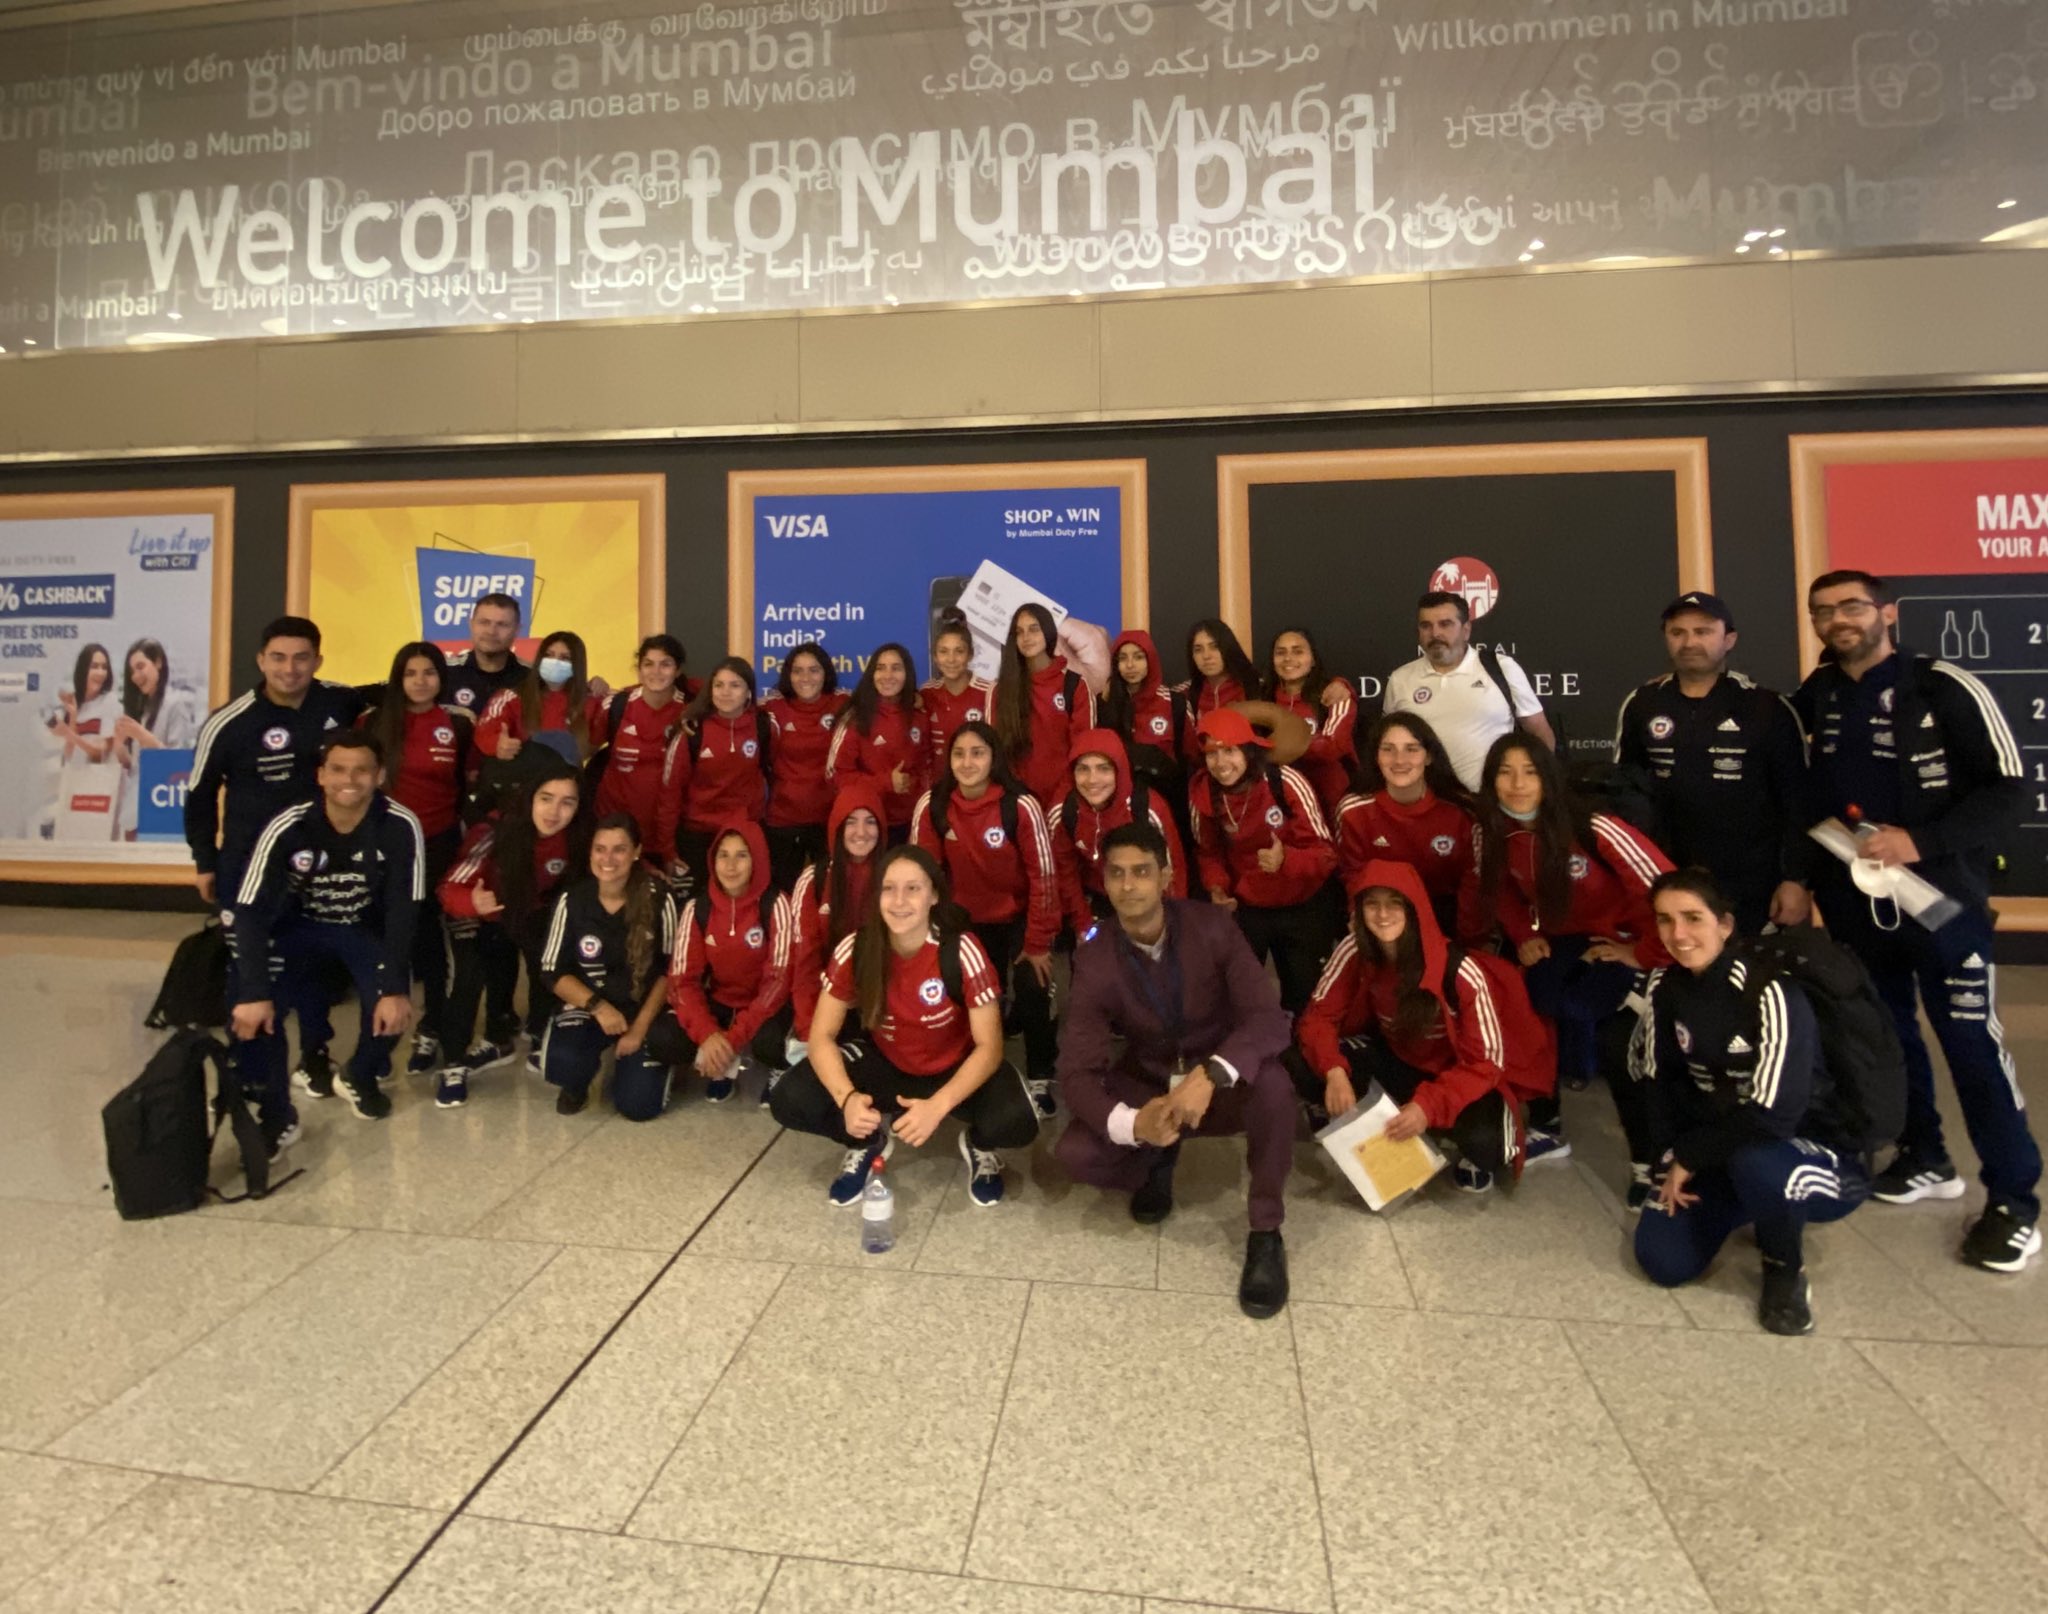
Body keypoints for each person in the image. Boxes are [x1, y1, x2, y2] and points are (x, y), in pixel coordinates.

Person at [1793, 568, 2041, 1272]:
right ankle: (1925, 1156)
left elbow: (2009, 787)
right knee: (1887, 1036)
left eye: (1851, 606)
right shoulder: (1819, 694)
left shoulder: (1945, 685)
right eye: (1824, 611)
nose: (1838, 619)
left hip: (1943, 906)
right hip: (1858, 906)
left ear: (1887, 613)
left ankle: (2015, 1203)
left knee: (1971, 1046)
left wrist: (1920, 842)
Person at [1055, 822, 1295, 1318]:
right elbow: (1076, 1073)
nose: (1128, 885)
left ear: (1166, 876)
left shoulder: (1213, 927)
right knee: (1076, 1152)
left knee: (1275, 1087)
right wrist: (1134, 1123)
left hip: (1216, 1076)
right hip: (1150, 1079)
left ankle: (1266, 1230)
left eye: (1141, 872)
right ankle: (1157, 1155)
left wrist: (1212, 1074)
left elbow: (1269, 1020)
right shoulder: (1095, 959)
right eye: (1116, 874)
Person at [1631, 869, 1872, 1333]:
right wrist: (1668, 1160)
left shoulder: (1771, 990)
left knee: (1759, 1165)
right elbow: (1658, 1087)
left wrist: (1690, 1154)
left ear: (1724, 925)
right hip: (1724, 1150)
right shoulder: (1666, 989)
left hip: (1807, 1150)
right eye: (1665, 920)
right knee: (1662, 1260)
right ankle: (1747, 1203)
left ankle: (1783, 1269)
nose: (1678, 934)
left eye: (1692, 918)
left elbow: (1775, 1116)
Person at [770, 845, 1039, 1208]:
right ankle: (866, 1141)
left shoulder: (961, 949)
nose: (899, 900)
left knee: (1019, 1120)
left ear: (934, 896)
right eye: (889, 888)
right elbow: (821, 1036)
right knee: (789, 1098)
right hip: (887, 1062)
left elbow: (990, 1047)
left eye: (913, 888)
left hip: (951, 1065)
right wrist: (847, 1101)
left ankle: (980, 1145)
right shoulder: (857, 948)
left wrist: (938, 1105)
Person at [1472, 731, 1673, 1205]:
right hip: (1567, 941)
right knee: (1531, 1007)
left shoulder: (1595, 827)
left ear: (1549, 777)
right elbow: (1500, 891)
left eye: (1530, 771)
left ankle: (1650, 1160)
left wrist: (1641, 954)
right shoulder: (1492, 831)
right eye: (1505, 772)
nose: (1518, 783)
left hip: (1630, 942)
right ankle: (1547, 1125)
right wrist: (1524, 936)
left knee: (1616, 1042)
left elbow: (1669, 893)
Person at [1292, 860, 1555, 1191]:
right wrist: (1334, 1071)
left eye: (1394, 903)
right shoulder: (1355, 947)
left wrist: (1427, 1106)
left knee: (1489, 1148)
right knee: (1301, 1059)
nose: (1382, 914)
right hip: (1399, 1058)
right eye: (1372, 903)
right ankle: (1357, 1114)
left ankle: (1437, 1128)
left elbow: (1486, 1063)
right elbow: (1318, 1017)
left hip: (1455, 1071)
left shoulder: (1459, 970)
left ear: (1414, 909)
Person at [228, 732, 424, 1138]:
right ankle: (281, 1104)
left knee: (394, 1004)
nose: (348, 779)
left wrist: (393, 986)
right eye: (337, 769)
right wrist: (253, 991)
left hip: (361, 931)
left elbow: (404, 910)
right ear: (320, 775)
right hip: (295, 929)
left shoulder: (401, 825)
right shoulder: (289, 824)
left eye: (361, 770)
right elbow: (249, 909)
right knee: (253, 1006)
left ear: (379, 775)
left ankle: (359, 1073)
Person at [186, 618, 368, 1028]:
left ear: (318, 660)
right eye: (279, 658)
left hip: (323, 861)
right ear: (261, 660)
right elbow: (198, 797)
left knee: (314, 967)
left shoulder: (341, 702)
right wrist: (204, 861)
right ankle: (248, 1068)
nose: (290, 669)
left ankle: (314, 1057)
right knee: (252, 971)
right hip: (249, 859)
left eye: (302, 658)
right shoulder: (229, 722)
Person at [1613, 592, 1811, 934]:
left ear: (1728, 639)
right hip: (1666, 877)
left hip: (1752, 885)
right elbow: (1622, 795)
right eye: (1678, 632)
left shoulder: (1767, 707)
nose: (1690, 642)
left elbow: (1799, 803)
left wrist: (1796, 879)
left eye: (1703, 631)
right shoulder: (1642, 704)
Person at [911, 721, 1060, 1116]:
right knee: (969, 996)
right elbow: (921, 876)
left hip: (1018, 917)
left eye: (977, 752)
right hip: (963, 922)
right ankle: (967, 1072)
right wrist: (932, 939)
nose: (968, 762)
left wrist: (1038, 942)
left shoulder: (1019, 805)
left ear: (993, 758)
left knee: (1032, 984)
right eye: (959, 754)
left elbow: (1043, 876)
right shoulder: (934, 805)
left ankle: (1041, 1071)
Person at [436, 762, 590, 1107]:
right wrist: (472, 901)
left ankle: (537, 1029)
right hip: (480, 915)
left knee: (550, 955)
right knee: (469, 977)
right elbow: (449, 886)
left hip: (529, 915)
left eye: (567, 802)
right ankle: (456, 1060)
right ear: (529, 798)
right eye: (546, 798)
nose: (554, 811)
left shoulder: (578, 838)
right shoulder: (494, 829)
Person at [359, 641, 474, 1078]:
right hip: (384, 846)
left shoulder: (457, 723)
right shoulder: (374, 722)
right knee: (386, 943)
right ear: (397, 677)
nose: (420, 681)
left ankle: (433, 1028)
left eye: (429, 672)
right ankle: (381, 1037)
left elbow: (469, 788)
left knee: (429, 942)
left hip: (439, 844)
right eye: (411, 673)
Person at [1188, 708, 1341, 1014]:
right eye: (1212, 754)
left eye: (1229, 751)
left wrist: (1287, 860)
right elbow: (1209, 852)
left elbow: (1325, 852)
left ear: (1247, 750)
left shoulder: (1284, 781)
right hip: (1250, 905)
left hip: (1301, 902)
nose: (1220, 763)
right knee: (1242, 998)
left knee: (1305, 999)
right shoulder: (1204, 793)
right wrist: (1218, 888)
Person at [536, 813, 679, 1116]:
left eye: (619, 849)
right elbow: (552, 971)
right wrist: (598, 1007)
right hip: (591, 1007)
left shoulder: (660, 899)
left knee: (638, 1106)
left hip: (642, 1010)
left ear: (637, 852)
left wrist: (639, 1029)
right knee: (563, 1064)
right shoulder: (572, 900)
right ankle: (579, 1079)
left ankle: (641, 1066)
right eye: (600, 849)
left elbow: (672, 972)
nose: (608, 859)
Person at [651, 821, 793, 1110]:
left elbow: (777, 981)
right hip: (721, 999)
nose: (730, 865)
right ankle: (720, 1061)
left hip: (767, 1005)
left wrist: (732, 1039)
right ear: (712, 861)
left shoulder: (776, 904)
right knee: (663, 1038)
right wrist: (707, 1034)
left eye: (741, 855)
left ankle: (774, 1067)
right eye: (723, 855)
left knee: (773, 1043)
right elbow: (681, 981)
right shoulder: (698, 909)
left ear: (757, 860)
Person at [1385, 591, 1554, 791]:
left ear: (1466, 630)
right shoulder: (1400, 679)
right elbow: (1389, 744)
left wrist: (1542, 786)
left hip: (1492, 801)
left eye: (1445, 624)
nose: (1435, 633)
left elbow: (1538, 731)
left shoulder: (1501, 668)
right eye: (1426, 626)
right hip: (1429, 806)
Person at [1334, 713, 1480, 937]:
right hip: (1383, 915)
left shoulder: (1460, 811)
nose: (1399, 760)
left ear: (1429, 756)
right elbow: (1353, 875)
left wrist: (1465, 942)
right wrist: (1360, 920)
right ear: (1375, 756)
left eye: (1411, 749)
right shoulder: (1354, 810)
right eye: (1388, 749)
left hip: (1444, 914)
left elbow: (1472, 882)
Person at [789, 781, 886, 1073]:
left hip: (878, 1001)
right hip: (828, 997)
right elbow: (804, 961)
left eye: (870, 822)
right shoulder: (814, 880)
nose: (861, 832)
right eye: (851, 822)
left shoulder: (893, 876)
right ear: (836, 827)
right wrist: (809, 1033)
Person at [1051, 727, 1187, 935]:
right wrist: (1082, 922)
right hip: (1098, 897)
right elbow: (1065, 872)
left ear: (1119, 770)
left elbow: (1172, 870)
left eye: (1103, 769)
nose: (1092, 780)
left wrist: (1170, 926)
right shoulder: (1065, 812)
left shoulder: (1147, 809)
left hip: (1147, 900)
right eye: (1083, 769)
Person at [657, 657, 770, 899]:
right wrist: (667, 850)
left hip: (744, 834)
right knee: (698, 906)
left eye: (735, 685)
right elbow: (670, 793)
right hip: (698, 837)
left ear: (749, 691)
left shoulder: (763, 726)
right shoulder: (692, 731)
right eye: (719, 685)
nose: (725, 692)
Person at [590, 634, 689, 855]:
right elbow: (583, 749)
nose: (656, 672)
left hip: (666, 835)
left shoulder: (689, 712)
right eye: (648, 664)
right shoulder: (616, 705)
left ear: (678, 670)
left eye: (665, 665)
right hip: (614, 832)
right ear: (639, 669)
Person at [763, 642, 850, 891]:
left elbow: (882, 705)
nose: (805, 678)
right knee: (784, 893)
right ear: (788, 675)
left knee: (830, 893)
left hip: (828, 817)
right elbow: (729, 705)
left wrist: (917, 699)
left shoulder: (843, 703)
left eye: (814, 670)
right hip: (783, 819)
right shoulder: (772, 707)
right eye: (798, 670)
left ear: (826, 673)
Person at [993, 602, 1096, 809]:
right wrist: (1018, 798)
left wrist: (1065, 796)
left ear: (1048, 632)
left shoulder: (1074, 685)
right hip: (1017, 800)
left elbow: (1084, 748)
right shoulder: (1001, 689)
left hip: (1067, 799)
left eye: (1034, 629)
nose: (1026, 637)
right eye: (1019, 632)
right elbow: (995, 750)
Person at [825, 643, 927, 840]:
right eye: (880, 668)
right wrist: (886, 782)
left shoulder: (918, 714)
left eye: (896, 668)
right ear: (871, 673)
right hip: (867, 825)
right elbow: (835, 775)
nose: (888, 675)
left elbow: (925, 764)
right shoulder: (855, 717)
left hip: (910, 822)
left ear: (907, 674)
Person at [473, 630, 608, 771]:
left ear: (577, 664)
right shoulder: (511, 697)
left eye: (565, 658)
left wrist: (602, 689)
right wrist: (498, 745)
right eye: (549, 655)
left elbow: (622, 718)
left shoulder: (592, 701)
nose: (555, 662)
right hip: (521, 782)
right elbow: (483, 732)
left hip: (570, 785)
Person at [113, 637, 201, 841]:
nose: (136, 676)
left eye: (140, 667)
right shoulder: (143, 710)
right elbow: (133, 766)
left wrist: (144, 737)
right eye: (132, 671)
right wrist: (119, 744)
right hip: (136, 807)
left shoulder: (175, 704)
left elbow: (179, 762)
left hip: (162, 806)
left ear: (158, 662)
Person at [1263, 626, 1358, 816]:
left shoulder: (1334, 694)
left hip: (1331, 799)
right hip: (1279, 802)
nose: (1288, 659)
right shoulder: (1262, 698)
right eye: (1281, 653)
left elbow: (1332, 747)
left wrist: (1278, 747)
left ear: (1313, 659)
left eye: (1298, 651)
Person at [1102, 629, 1188, 801]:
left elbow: (1189, 758)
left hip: (1165, 796)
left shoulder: (1174, 702)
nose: (1130, 665)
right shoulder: (1104, 702)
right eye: (1123, 658)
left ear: (1151, 660)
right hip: (1118, 798)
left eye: (1139, 657)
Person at [49, 643, 123, 840]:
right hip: (74, 790)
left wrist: (69, 733)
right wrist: (72, 717)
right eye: (94, 666)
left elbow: (101, 753)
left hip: (99, 793)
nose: (100, 672)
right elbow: (68, 756)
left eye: (104, 667)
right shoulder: (76, 705)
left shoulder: (110, 702)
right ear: (82, 669)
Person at [919, 620, 995, 784]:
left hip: (977, 786)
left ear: (970, 654)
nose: (951, 659)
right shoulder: (926, 693)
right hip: (938, 788)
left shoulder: (989, 692)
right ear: (935, 656)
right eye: (944, 652)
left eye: (959, 651)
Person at [1180, 619, 1260, 763]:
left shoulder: (1257, 688)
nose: (1206, 656)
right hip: (1204, 776)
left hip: (1250, 776)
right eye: (1198, 649)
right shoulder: (1183, 695)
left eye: (1214, 646)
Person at [440, 592, 533, 715]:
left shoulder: (532, 678)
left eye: (502, 625)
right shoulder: (443, 673)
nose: (491, 631)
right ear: (471, 624)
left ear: (517, 630)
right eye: (484, 622)